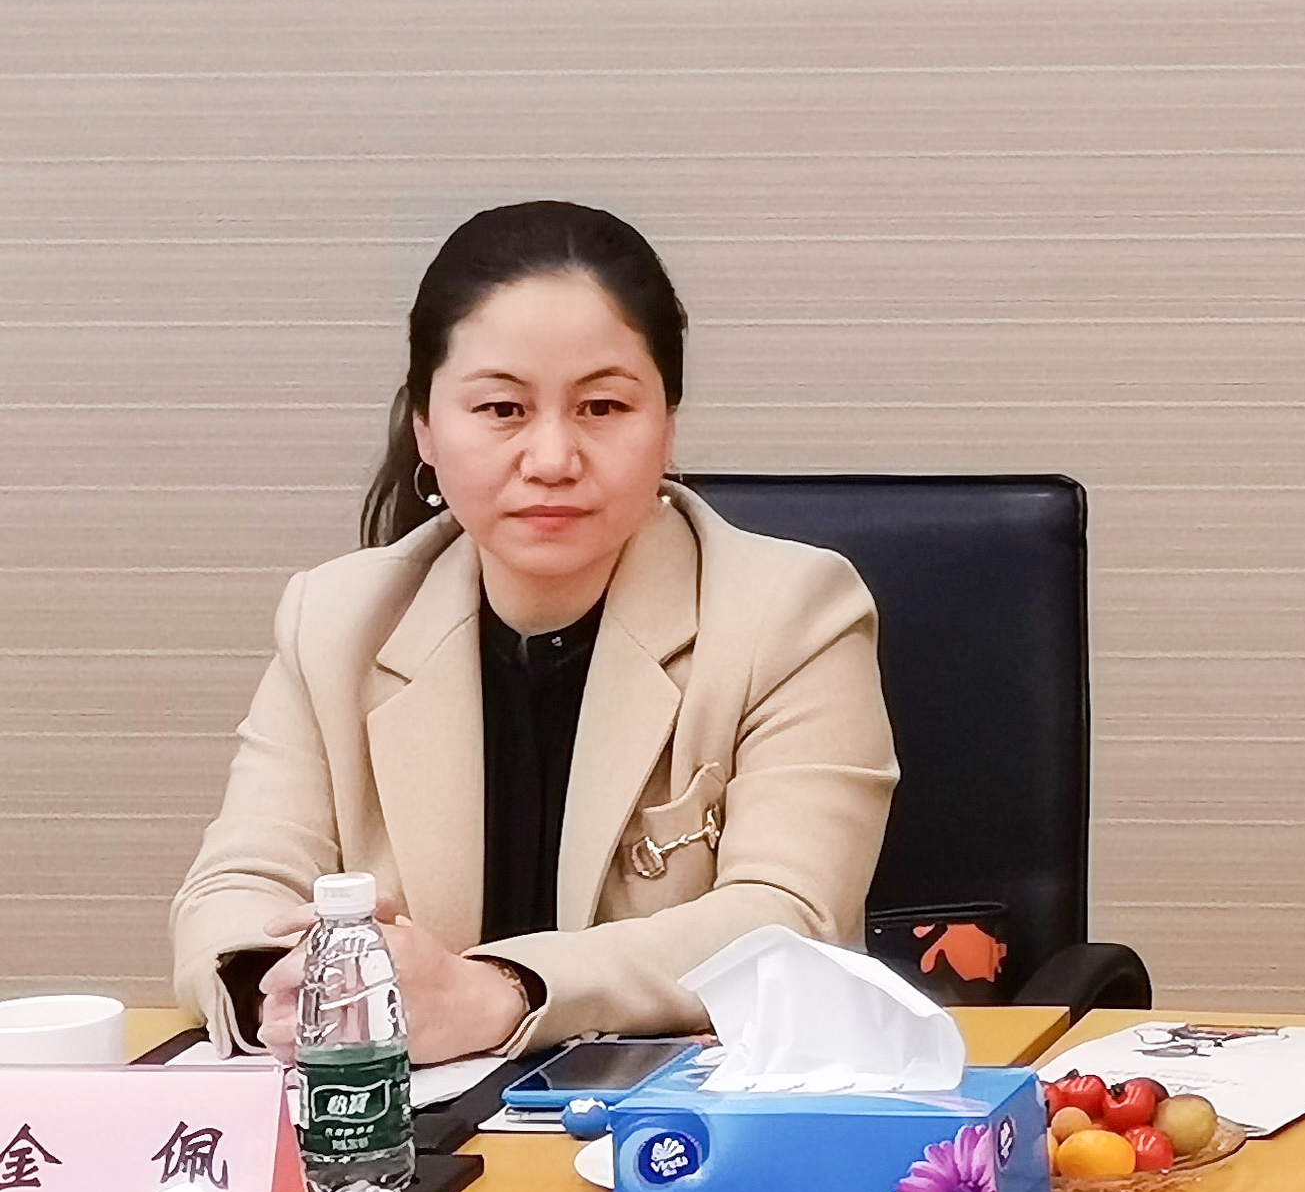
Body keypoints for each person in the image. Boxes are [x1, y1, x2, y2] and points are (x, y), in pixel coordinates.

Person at [171, 203, 896, 1060]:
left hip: (672, 1122)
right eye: (502, 408)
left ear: (668, 424)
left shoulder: (793, 613)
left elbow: (786, 920)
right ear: (426, 427)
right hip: (410, 1115)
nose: (552, 458)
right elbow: (234, 889)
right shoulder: (335, 622)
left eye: (602, 405)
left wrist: (497, 992)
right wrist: (291, 991)